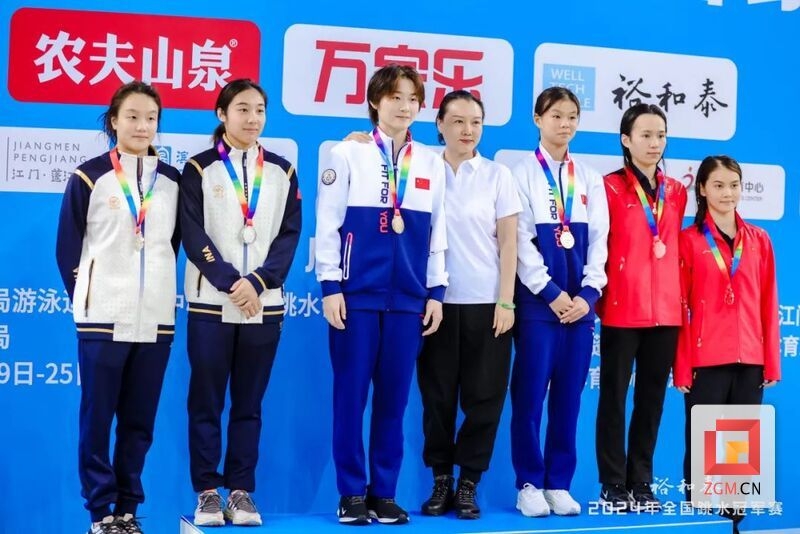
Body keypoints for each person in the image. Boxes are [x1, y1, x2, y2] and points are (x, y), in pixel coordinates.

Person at [314, 64, 447, 526]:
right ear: (375, 101)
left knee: (394, 402)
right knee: (350, 398)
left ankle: (384, 493)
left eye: (412, 98)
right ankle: (351, 493)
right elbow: (328, 224)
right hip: (356, 297)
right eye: (395, 97)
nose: (404, 106)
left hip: (409, 301)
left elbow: (438, 232)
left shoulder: (430, 162)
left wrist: (436, 291)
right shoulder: (347, 153)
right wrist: (331, 285)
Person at [56, 81, 180, 534]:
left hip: (155, 321)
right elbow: (67, 249)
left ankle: (127, 510)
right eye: (132, 116)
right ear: (114, 121)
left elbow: (172, 246)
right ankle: (100, 513)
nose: (142, 125)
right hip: (103, 319)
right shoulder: (89, 177)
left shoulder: (173, 181)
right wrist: (91, 299)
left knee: (139, 422)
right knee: (97, 418)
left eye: (151, 118)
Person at [180, 78, 302, 527]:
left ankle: (241, 491)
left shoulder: (283, 170)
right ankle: (207, 493)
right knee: (206, 402)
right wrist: (233, 282)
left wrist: (260, 281)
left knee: (249, 405)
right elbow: (192, 233)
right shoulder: (199, 168)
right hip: (211, 305)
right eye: (243, 109)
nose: (253, 119)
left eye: (259, 110)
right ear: (222, 114)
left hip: (263, 306)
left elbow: (289, 235)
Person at [414, 90, 521, 520]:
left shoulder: (497, 175)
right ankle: (441, 479)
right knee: (437, 398)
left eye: (475, 122)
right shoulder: (421, 168)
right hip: (435, 304)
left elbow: (509, 243)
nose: (467, 130)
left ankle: (469, 483)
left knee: (485, 399)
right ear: (439, 124)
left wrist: (506, 301)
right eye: (457, 121)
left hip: (487, 302)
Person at [510, 86, 609, 517]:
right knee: (530, 397)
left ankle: (558, 483)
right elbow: (520, 243)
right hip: (539, 306)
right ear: (538, 119)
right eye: (556, 116)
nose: (565, 124)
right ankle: (529, 483)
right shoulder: (519, 174)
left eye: (572, 116)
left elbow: (601, 241)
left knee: (569, 399)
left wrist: (588, 294)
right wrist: (550, 293)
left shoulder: (588, 178)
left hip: (580, 311)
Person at [674, 155, 779, 534]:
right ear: (702, 189)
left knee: (738, 455)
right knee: (703, 451)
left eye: (734, 185)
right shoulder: (688, 241)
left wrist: (771, 361)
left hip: (750, 360)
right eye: (718, 185)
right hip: (706, 361)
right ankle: (699, 524)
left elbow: (768, 303)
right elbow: (680, 307)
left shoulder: (759, 240)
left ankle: (733, 525)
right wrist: (682, 366)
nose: (727, 193)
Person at [595, 103, 687, 512]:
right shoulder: (608, 187)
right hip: (621, 308)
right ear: (626, 140)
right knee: (614, 397)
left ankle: (641, 481)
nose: (655, 143)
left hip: (666, 313)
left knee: (652, 400)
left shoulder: (677, 191)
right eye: (646, 135)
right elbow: (599, 247)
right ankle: (613, 482)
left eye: (660, 135)